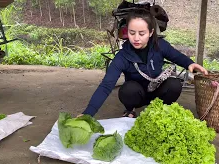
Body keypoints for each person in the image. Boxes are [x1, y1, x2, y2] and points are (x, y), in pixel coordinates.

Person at [79, 9, 208, 118]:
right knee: (127, 90)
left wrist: (190, 64)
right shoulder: (122, 56)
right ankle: (130, 110)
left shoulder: (160, 46)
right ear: (127, 32)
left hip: (157, 91)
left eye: (142, 33)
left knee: (174, 84)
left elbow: (177, 56)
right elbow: (106, 85)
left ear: (151, 32)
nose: (136, 38)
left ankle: (160, 111)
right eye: (132, 33)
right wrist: (88, 114)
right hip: (137, 95)